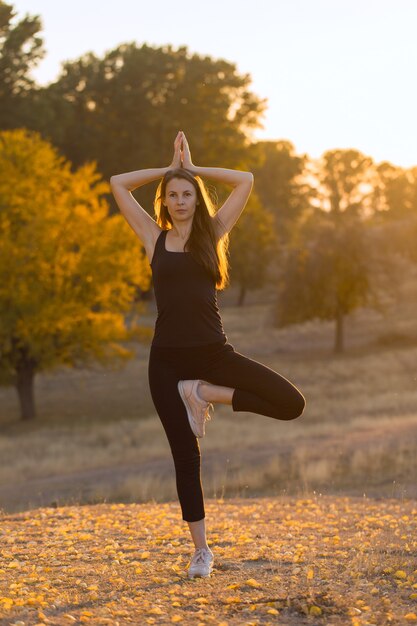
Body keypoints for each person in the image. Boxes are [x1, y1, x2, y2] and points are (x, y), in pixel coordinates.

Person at [110, 131, 306, 578]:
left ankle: (204, 394)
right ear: (164, 202)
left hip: (214, 355)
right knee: (186, 455)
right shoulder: (152, 237)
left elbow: (246, 180)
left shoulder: (212, 232)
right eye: (173, 195)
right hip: (166, 363)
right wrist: (168, 169)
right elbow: (118, 183)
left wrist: (193, 169)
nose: (180, 200)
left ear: (197, 201)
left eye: (187, 195)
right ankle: (201, 551)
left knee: (292, 404)